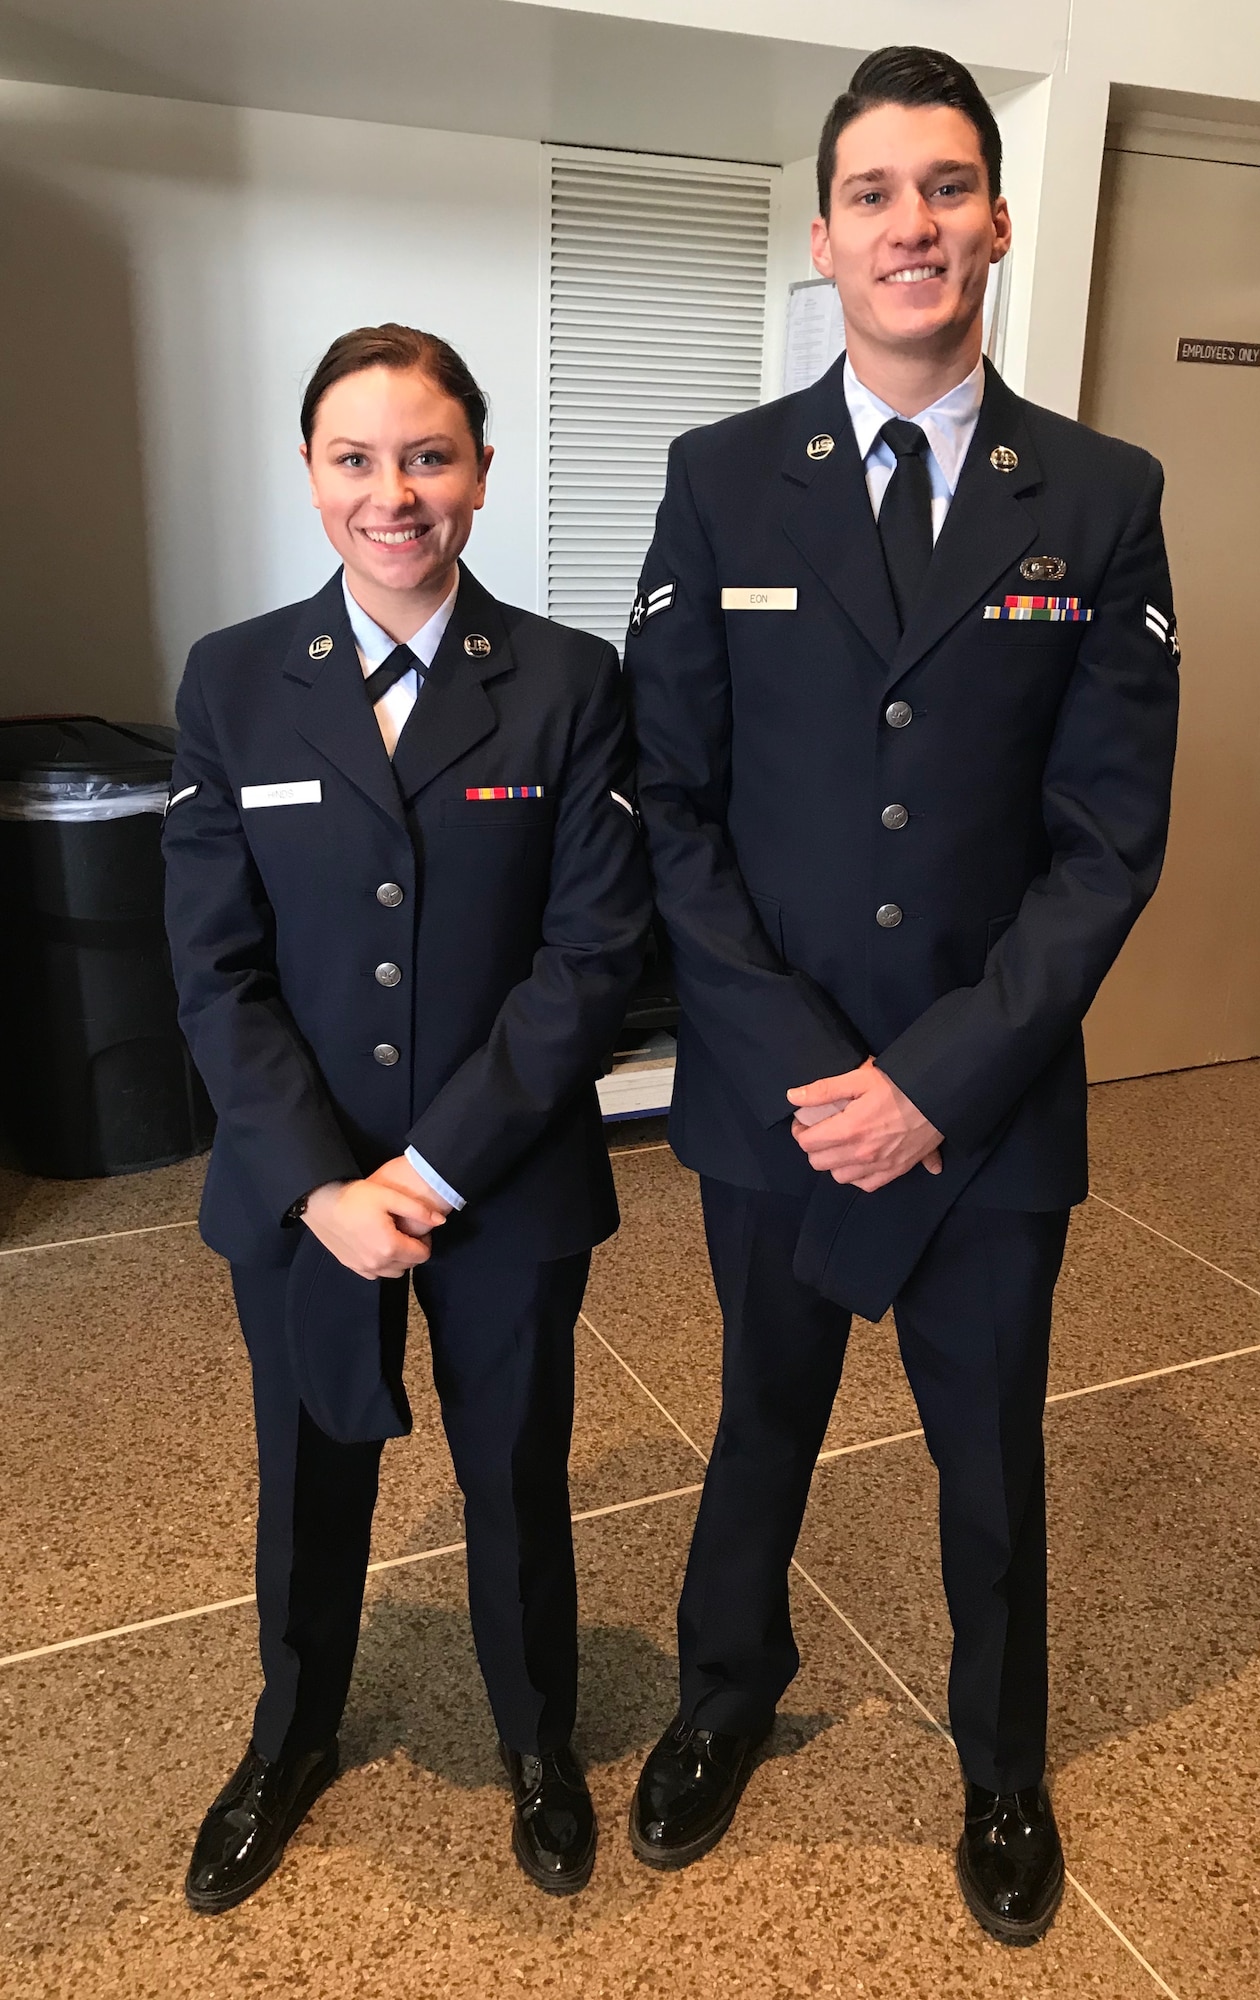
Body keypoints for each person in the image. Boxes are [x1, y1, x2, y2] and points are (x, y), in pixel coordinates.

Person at [623, 47, 1178, 1944]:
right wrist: (803, 1072)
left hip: (989, 1098)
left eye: (948, 186)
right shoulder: (716, 484)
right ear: (829, 233)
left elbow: (1108, 842)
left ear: (997, 224)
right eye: (877, 191)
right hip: (774, 1095)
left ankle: (1001, 1767)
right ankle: (724, 1697)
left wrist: (934, 1083)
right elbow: (667, 808)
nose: (913, 222)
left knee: (987, 1451)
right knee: (760, 1413)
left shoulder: (1101, 498)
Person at [162, 324, 650, 1911]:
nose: (395, 494)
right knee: (307, 1470)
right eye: (356, 459)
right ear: (309, 476)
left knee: (516, 1468)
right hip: (300, 1191)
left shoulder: (572, 684)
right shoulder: (235, 681)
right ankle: (291, 1734)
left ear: (481, 474)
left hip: (500, 1182)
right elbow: (214, 969)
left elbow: (592, 958)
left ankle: (537, 1742)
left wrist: (428, 1171)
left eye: (428, 456)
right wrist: (321, 1187)